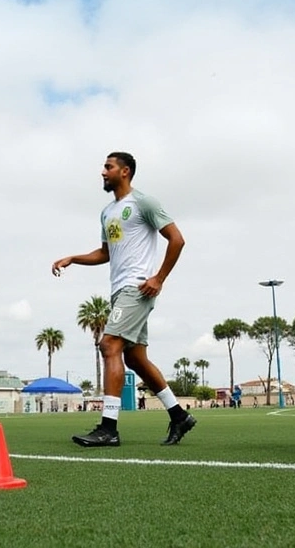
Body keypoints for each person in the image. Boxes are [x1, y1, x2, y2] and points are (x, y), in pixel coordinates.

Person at [52, 152, 194, 447]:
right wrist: (73, 258)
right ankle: (179, 415)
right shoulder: (107, 212)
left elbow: (177, 239)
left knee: (109, 344)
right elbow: (105, 253)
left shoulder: (144, 202)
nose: (103, 172)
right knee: (134, 357)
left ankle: (109, 428)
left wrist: (158, 278)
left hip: (138, 288)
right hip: (119, 290)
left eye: (108, 167)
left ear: (125, 171)